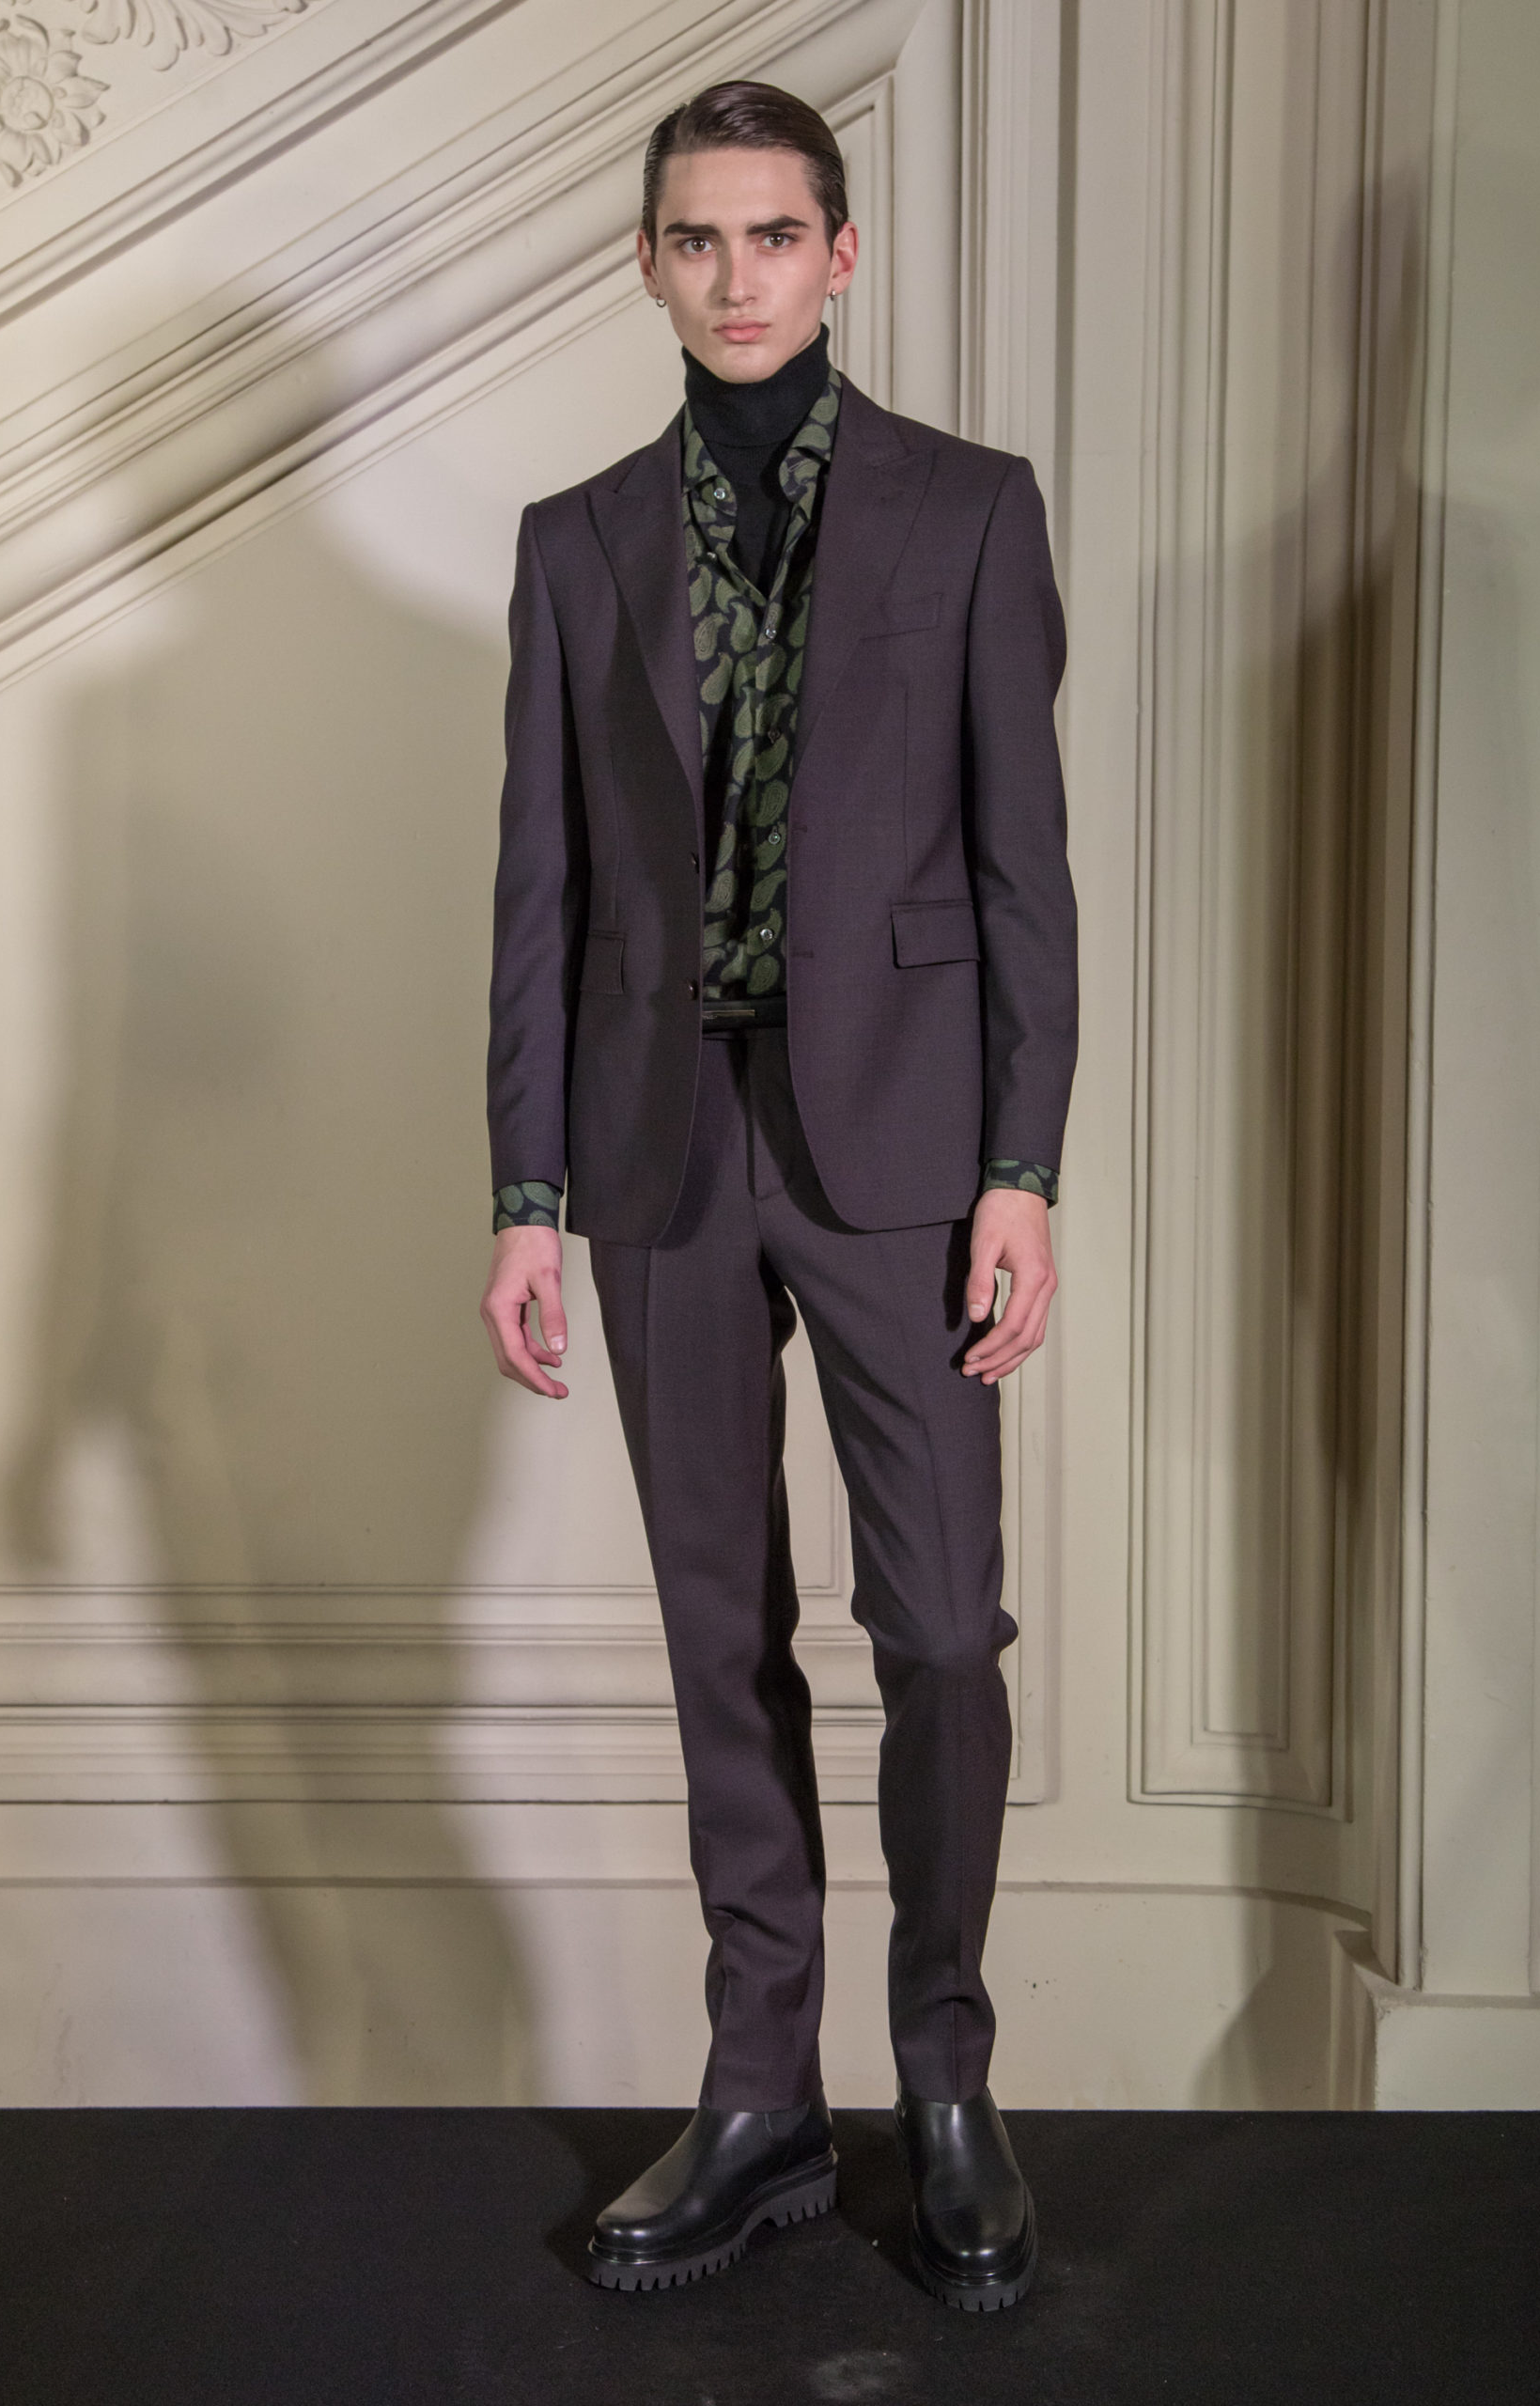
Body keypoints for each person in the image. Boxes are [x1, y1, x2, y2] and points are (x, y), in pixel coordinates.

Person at [481, 79, 1076, 2313]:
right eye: (694, 237)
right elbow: (537, 890)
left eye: (769, 234)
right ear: (646, 263)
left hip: (905, 1146)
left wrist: (1020, 1166)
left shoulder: (966, 508)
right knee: (713, 1627)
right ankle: (759, 2095)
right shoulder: (575, 542)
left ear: (838, 252)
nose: (733, 275)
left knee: (937, 1627)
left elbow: (1021, 869)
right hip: (658, 1148)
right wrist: (523, 1186)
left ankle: (945, 2079)